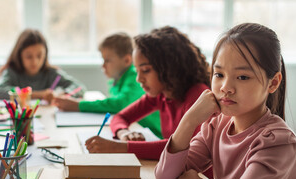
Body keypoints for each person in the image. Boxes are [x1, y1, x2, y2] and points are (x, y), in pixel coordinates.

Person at [155, 23, 296, 179]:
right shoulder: (217, 125)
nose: (225, 87)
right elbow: (165, 178)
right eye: (218, 74)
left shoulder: (277, 141)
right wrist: (189, 120)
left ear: (273, 83)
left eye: (243, 77)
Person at [85, 26, 211, 164]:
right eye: (137, 70)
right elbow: (120, 117)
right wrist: (123, 133)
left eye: (145, 70)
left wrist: (119, 147)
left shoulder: (200, 96)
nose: (139, 79)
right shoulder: (161, 94)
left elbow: (183, 148)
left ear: (169, 67)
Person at [53, 32, 161, 138]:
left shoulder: (134, 77)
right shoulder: (115, 81)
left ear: (127, 60)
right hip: (136, 132)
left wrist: (78, 105)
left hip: (155, 136)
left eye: (107, 60)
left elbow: (120, 104)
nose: (103, 66)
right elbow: (119, 113)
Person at [0, 29, 85, 103]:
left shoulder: (51, 73)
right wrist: (38, 95)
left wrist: (63, 95)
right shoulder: (12, 72)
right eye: (29, 57)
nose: (35, 62)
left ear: (45, 54)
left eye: (39, 56)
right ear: (19, 55)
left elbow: (79, 87)